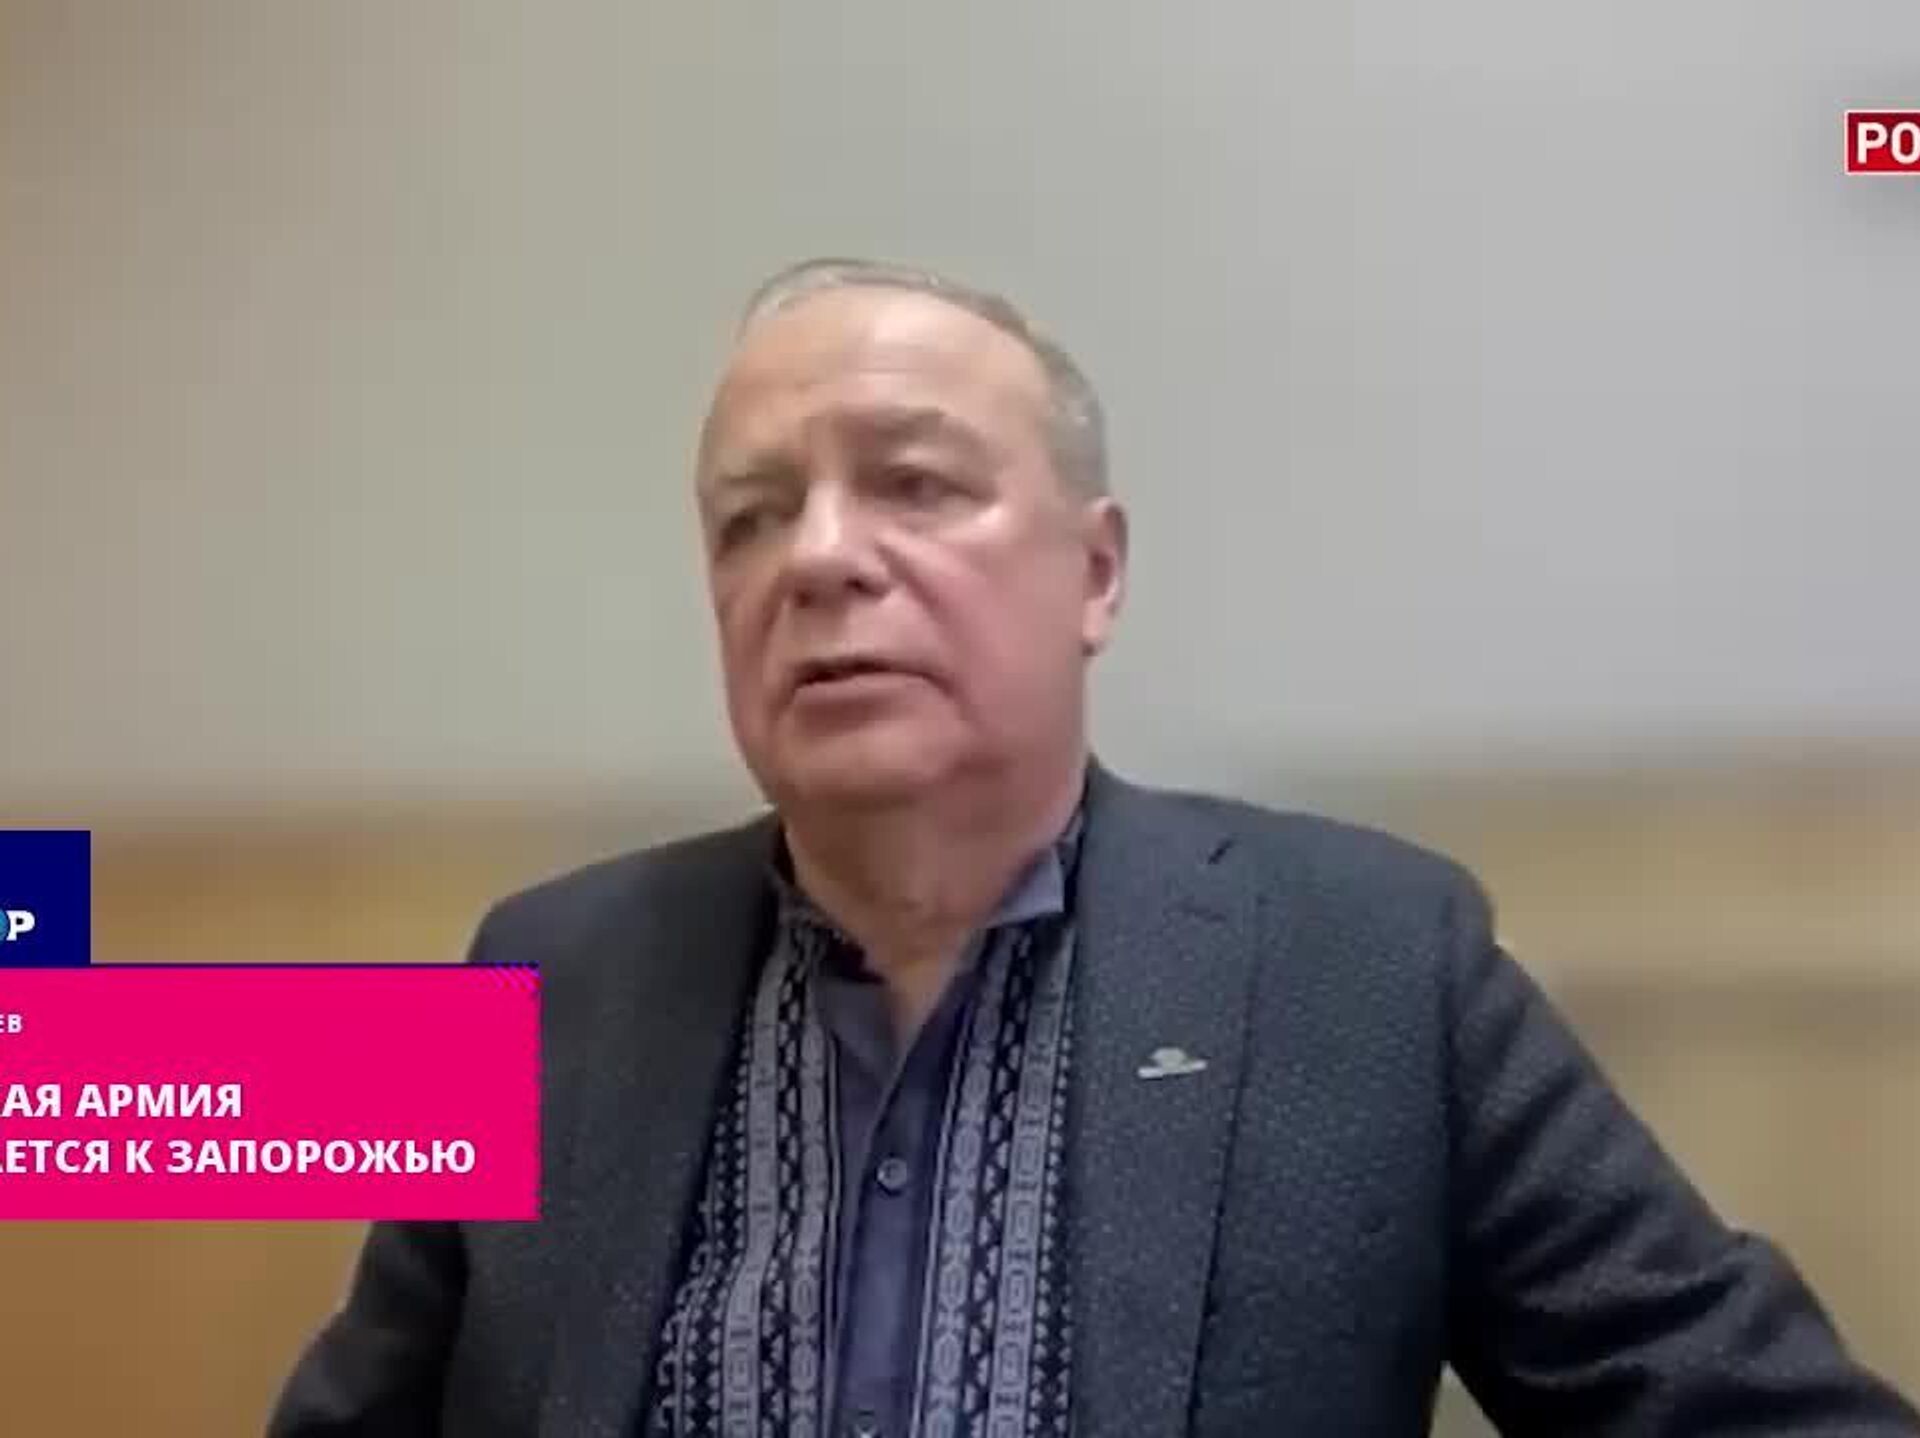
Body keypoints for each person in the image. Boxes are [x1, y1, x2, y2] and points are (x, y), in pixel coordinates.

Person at [268, 258, 1919, 1437]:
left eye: (914, 485)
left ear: (1097, 574)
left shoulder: (1366, 965)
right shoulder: (537, 975)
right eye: (750, 517)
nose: (819, 558)